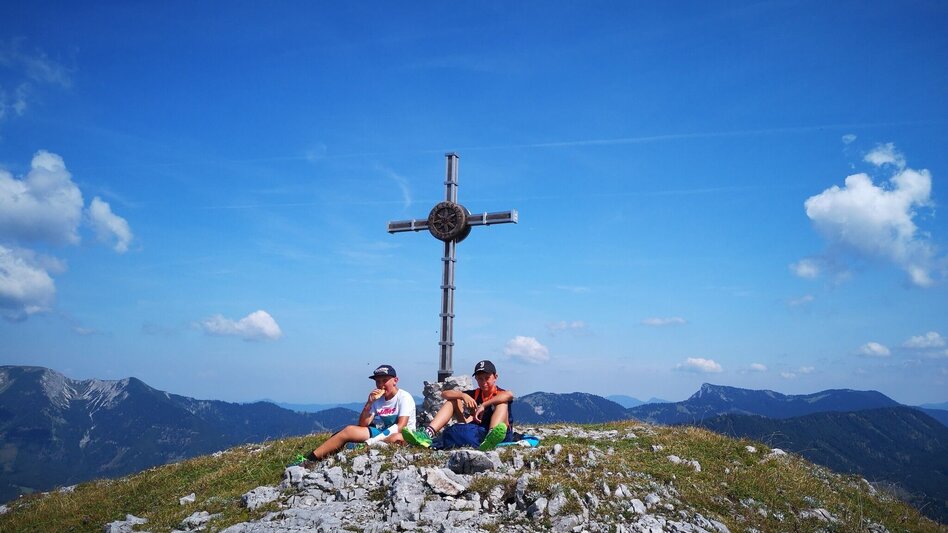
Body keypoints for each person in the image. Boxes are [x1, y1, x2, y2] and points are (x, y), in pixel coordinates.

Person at [304, 364, 415, 461]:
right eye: (378, 382)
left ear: (395, 380)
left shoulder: (404, 397)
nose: (381, 385)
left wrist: (374, 440)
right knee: (349, 430)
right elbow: (363, 424)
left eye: (385, 380)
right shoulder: (377, 399)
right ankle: (309, 459)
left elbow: (401, 426)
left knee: (396, 438)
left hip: (405, 435)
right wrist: (369, 404)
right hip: (384, 433)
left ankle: (358, 447)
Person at [402, 359, 514, 451]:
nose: (483, 381)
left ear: (495, 377)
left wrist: (484, 405)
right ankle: (427, 434)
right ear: (476, 379)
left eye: (487, 378)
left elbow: (509, 395)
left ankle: (492, 435)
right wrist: (462, 395)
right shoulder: (475, 394)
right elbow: (444, 394)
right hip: (479, 430)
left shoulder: (500, 393)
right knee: (452, 401)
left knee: (502, 403)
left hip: (501, 435)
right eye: (480, 378)